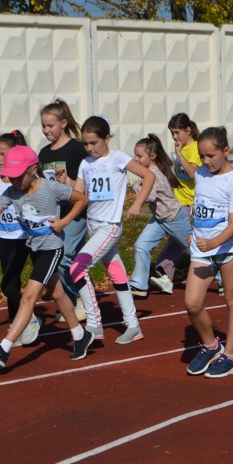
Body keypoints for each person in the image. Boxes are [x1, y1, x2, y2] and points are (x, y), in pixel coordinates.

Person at [0, 145, 93, 367]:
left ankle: (3, 348)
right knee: (57, 293)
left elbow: (82, 199)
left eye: (17, 176)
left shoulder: (51, 189)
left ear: (33, 169)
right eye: (10, 176)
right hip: (34, 246)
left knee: (28, 297)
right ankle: (81, 336)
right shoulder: (12, 192)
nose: (13, 181)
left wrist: (64, 221)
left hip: (52, 247)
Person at [69, 116, 154, 344]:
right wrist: (62, 186)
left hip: (109, 226)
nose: (89, 148)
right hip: (93, 226)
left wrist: (136, 204)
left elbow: (149, 176)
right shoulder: (86, 163)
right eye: (85, 144)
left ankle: (95, 325)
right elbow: (78, 194)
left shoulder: (118, 158)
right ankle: (133, 325)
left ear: (107, 138)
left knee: (77, 269)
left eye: (94, 143)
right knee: (117, 274)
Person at [184, 127, 233, 378]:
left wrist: (214, 243)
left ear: (226, 151)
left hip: (229, 248)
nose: (205, 161)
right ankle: (211, 345)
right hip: (201, 247)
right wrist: (195, 230)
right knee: (192, 302)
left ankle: (230, 356)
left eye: (211, 156)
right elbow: (201, 205)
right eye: (202, 156)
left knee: (232, 299)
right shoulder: (201, 173)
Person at [38, 99, 91, 322]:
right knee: (73, 260)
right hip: (55, 215)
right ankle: (83, 300)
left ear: (63, 123)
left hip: (76, 212)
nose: (46, 130)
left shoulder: (78, 149)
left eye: (51, 126)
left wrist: (70, 183)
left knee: (64, 258)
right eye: (43, 126)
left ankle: (80, 301)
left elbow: (89, 178)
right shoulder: (43, 153)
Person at [0, 131, 36, 344]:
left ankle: (29, 319)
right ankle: (17, 321)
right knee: (10, 283)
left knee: (15, 284)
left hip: (24, 236)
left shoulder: (22, 181)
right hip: (5, 237)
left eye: (2, 154)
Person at [144, 113, 202, 295]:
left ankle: (216, 271)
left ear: (188, 130)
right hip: (177, 201)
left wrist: (179, 155)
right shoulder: (181, 149)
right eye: (172, 134)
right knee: (179, 240)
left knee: (181, 241)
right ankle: (166, 276)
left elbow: (193, 174)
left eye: (177, 133)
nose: (175, 137)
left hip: (189, 202)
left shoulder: (195, 149)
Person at [127, 134, 191, 296]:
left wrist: (136, 187)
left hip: (174, 218)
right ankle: (139, 284)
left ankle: (220, 275)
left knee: (194, 249)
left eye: (139, 156)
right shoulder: (150, 171)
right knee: (141, 246)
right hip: (160, 219)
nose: (136, 159)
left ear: (152, 156)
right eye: (135, 155)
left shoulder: (153, 173)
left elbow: (150, 197)